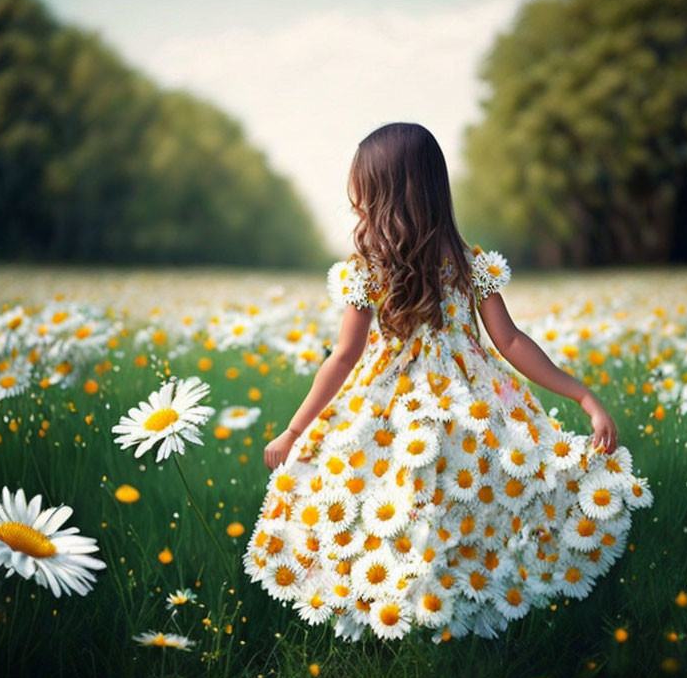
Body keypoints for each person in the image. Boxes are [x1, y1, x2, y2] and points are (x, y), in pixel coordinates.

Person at [243, 122, 654, 642]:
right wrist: (296, 430)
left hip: (431, 406)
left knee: (419, 499)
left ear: (387, 197)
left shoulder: (442, 266)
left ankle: (432, 608)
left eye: (365, 195)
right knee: (460, 499)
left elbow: (347, 358)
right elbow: (510, 344)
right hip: (462, 403)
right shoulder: (426, 266)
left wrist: (583, 395)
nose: (359, 208)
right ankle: (425, 607)